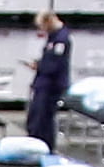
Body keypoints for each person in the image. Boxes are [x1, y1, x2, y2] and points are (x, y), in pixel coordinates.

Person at [22, 11, 74, 150]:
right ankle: (34, 145)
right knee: (35, 116)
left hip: (51, 85)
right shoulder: (53, 37)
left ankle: (45, 147)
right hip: (43, 83)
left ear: (49, 22)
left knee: (43, 119)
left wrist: (39, 66)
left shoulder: (61, 39)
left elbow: (54, 65)